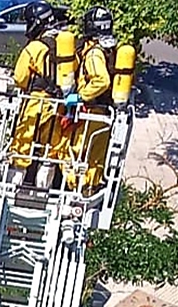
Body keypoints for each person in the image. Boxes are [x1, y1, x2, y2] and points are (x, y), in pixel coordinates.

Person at [9, 1, 68, 188]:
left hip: (35, 101)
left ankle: (16, 179)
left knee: (23, 140)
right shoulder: (67, 44)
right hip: (59, 103)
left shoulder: (34, 47)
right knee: (51, 145)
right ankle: (44, 185)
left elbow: (20, 77)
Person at [63, 6, 114, 192]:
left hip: (91, 113)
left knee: (73, 152)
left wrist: (80, 97)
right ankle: (90, 189)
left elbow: (102, 80)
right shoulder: (110, 48)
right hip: (105, 115)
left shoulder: (94, 53)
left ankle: (73, 188)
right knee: (95, 157)